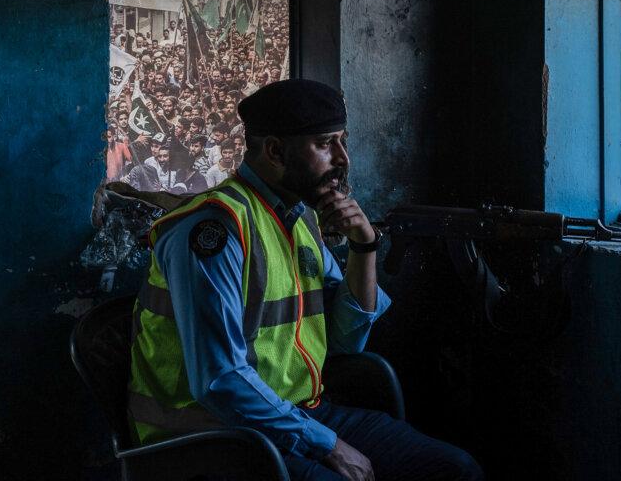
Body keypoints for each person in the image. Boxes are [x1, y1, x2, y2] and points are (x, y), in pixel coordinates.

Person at [127, 79, 484, 481]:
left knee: (455, 470)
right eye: (325, 144)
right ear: (276, 151)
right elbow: (220, 380)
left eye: (342, 142)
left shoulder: (301, 219)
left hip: (294, 413)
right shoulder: (216, 231)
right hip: (213, 434)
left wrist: (365, 247)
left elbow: (347, 341)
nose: (343, 158)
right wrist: (327, 444)